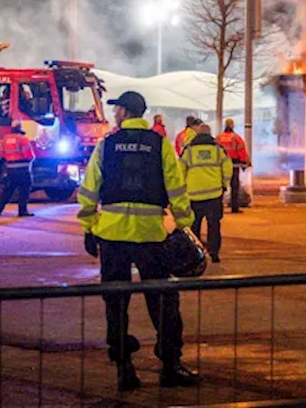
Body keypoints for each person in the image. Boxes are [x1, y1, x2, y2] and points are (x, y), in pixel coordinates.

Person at [77, 90, 199, 391]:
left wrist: (89, 227)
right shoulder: (160, 145)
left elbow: (90, 188)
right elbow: (176, 186)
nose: (115, 113)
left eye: (117, 108)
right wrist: (184, 224)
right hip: (150, 237)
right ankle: (170, 366)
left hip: (112, 237)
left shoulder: (107, 145)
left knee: (115, 305)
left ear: (124, 112)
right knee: (162, 302)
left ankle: (124, 368)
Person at [180, 123, 232, 263]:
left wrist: (183, 189)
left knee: (194, 226)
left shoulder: (189, 150)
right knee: (214, 225)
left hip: (194, 195)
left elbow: (181, 171)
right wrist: (224, 184)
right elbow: (228, 168)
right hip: (214, 195)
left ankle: (195, 254)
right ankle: (214, 252)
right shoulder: (218, 150)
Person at [0, 122, 35, 217]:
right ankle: (22, 211)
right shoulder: (22, 139)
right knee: (24, 190)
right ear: (20, 128)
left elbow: (1, 154)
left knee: (7, 190)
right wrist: (32, 159)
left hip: (10, 168)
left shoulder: (5, 139)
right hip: (22, 169)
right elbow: (29, 155)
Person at [216, 118, 251, 213]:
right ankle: (234, 208)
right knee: (234, 186)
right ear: (232, 125)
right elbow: (241, 151)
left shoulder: (219, 137)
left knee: (220, 187)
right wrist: (245, 162)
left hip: (220, 165)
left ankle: (218, 208)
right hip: (233, 164)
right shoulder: (236, 138)